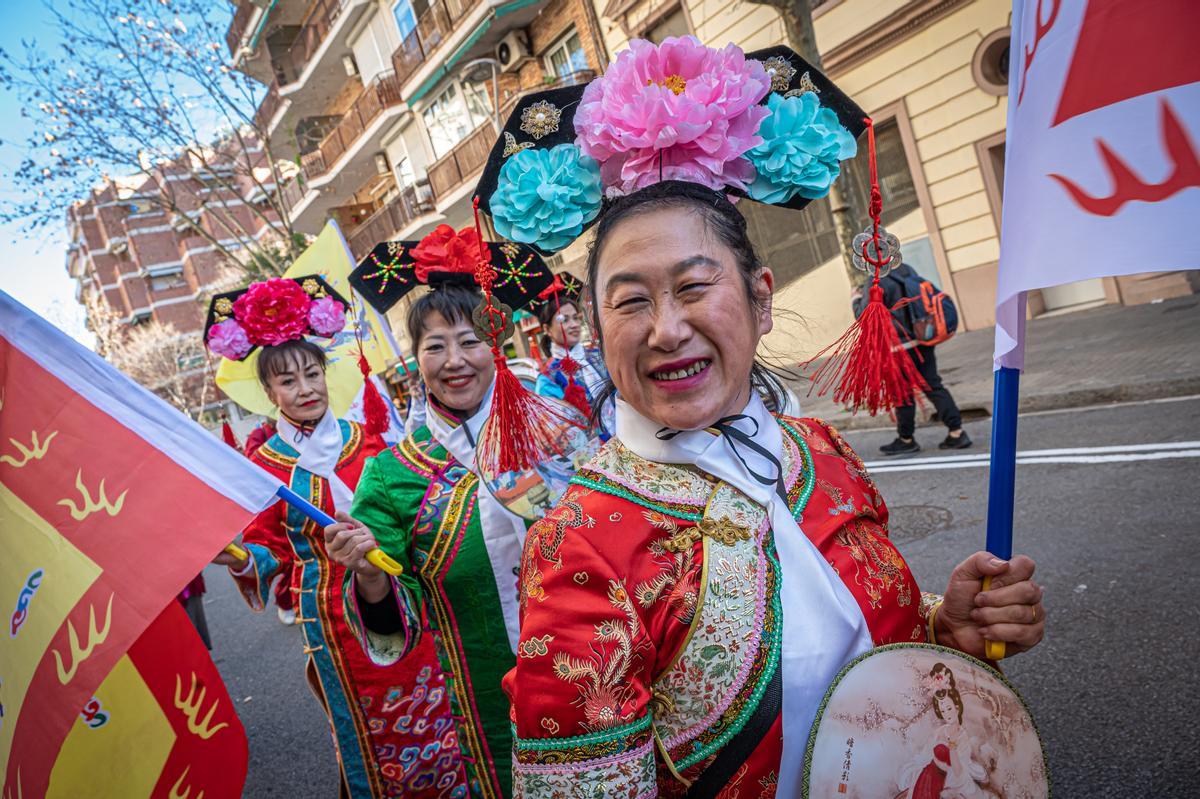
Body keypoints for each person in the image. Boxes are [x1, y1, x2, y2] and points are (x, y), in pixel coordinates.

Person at [472, 37, 1046, 795]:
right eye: (631, 299)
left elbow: (862, 659)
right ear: (594, 324)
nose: (666, 328)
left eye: (694, 286)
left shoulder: (820, 452)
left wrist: (946, 631)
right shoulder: (577, 547)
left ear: (761, 297)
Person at [327, 226, 562, 798]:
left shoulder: (560, 433)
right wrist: (368, 574)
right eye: (434, 346)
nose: (453, 361)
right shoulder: (390, 476)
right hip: (480, 712)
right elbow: (390, 623)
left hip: (589, 676)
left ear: (496, 345)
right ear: (416, 361)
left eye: (469, 341)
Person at [205, 276, 453, 798]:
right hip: (331, 619)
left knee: (429, 707)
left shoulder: (369, 442)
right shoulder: (266, 465)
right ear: (269, 393)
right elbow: (267, 547)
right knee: (361, 729)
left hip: (399, 598)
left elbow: (407, 515)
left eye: (312, 374)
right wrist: (241, 559)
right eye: (289, 382)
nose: (306, 389)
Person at [852, 262, 971, 455]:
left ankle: (906, 439)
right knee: (933, 385)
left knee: (902, 393)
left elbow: (866, 317)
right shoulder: (906, 269)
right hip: (922, 338)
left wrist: (855, 299)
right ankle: (957, 432)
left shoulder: (876, 281)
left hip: (898, 348)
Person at [532, 274, 614, 437]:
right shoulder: (548, 377)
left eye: (576, 318)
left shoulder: (598, 354)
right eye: (564, 320)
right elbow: (557, 429)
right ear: (547, 329)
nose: (574, 325)